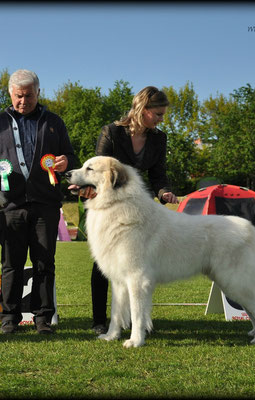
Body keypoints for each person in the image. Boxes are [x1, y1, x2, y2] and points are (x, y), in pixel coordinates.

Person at [0, 69, 79, 335]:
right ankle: (9, 318)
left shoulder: (54, 122)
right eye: (19, 96)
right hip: (9, 205)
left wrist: (65, 161)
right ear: (10, 94)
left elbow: (69, 155)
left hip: (46, 204)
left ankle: (43, 317)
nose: (24, 101)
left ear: (38, 92)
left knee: (45, 262)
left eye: (29, 96)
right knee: (11, 262)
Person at [76, 86, 179, 334]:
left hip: (134, 208)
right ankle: (100, 321)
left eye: (163, 115)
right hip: (105, 203)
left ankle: (135, 320)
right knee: (103, 264)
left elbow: (158, 176)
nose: (161, 119)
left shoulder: (159, 138)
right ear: (143, 110)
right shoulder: (111, 132)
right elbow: (99, 169)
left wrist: (163, 192)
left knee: (136, 267)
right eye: (157, 114)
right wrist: (88, 190)